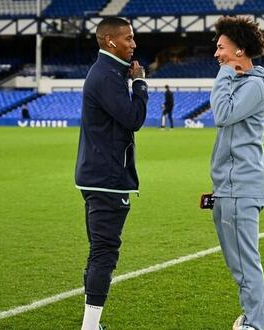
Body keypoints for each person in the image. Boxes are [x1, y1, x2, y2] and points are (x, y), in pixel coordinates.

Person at [74, 16, 147, 330]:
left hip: (96, 175)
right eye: (128, 38)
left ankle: (92, 324)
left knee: (98, 250)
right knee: (105, 252)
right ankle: (90, 326)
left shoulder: (107, 72)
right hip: (107, 179)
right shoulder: (106, 75)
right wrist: (140, 84)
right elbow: (133, 118)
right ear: (109, 41)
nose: (133, 44)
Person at [209, 16, 264, 330]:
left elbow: (222, 114)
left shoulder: (255, 86)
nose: (217, 53)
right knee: (239, 266)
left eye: (221, 47)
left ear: (239, 50)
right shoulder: (241, 84)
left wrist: (224, 73)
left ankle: (254, 325)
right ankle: (250, 318)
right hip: (229, 186)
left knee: (245, 265)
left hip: (242, 187)